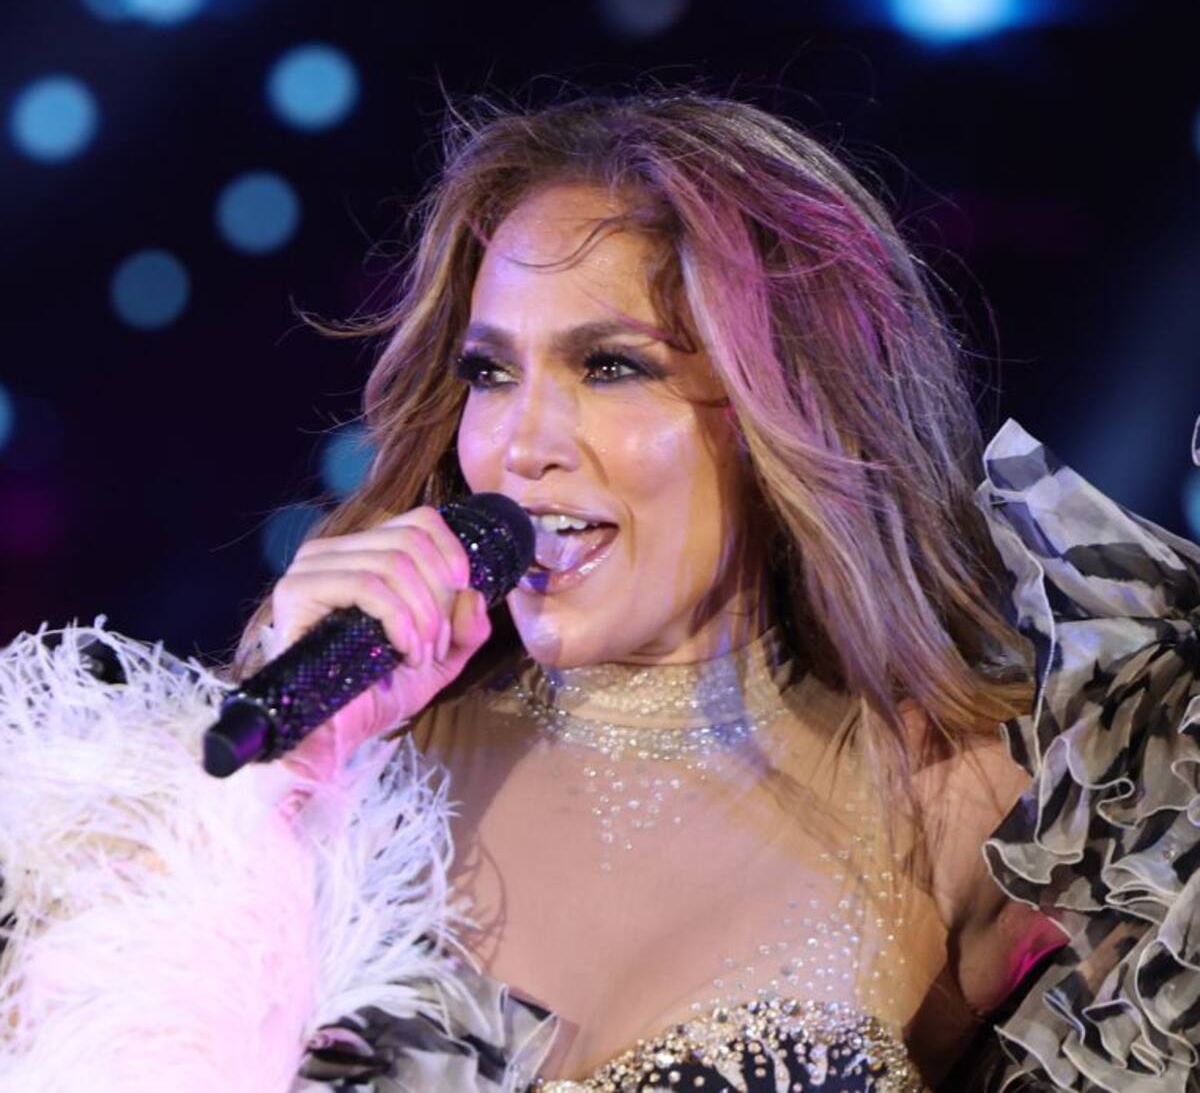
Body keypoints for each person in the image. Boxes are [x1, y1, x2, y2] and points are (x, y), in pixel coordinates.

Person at [1, 91, 1198, 1093]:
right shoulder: (353, 768)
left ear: (793, 406)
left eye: (611, 366)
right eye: (490, 372)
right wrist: (276, 785)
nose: (520, 444)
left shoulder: (988, 802)